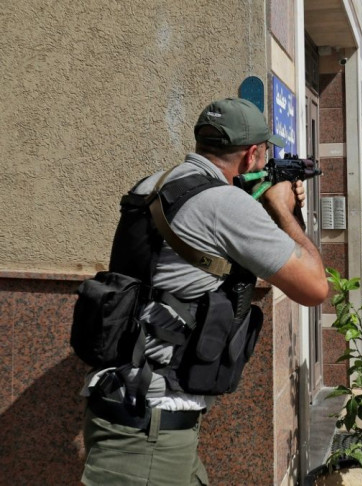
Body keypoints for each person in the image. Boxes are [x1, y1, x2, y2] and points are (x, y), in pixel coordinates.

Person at [80, 98, 329, 485]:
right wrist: (283, 210)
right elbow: (315, 287)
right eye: (265, 154)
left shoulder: (155, 184)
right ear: (251, 155)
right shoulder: (225, 205)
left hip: (133, 407)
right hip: (149, 433)